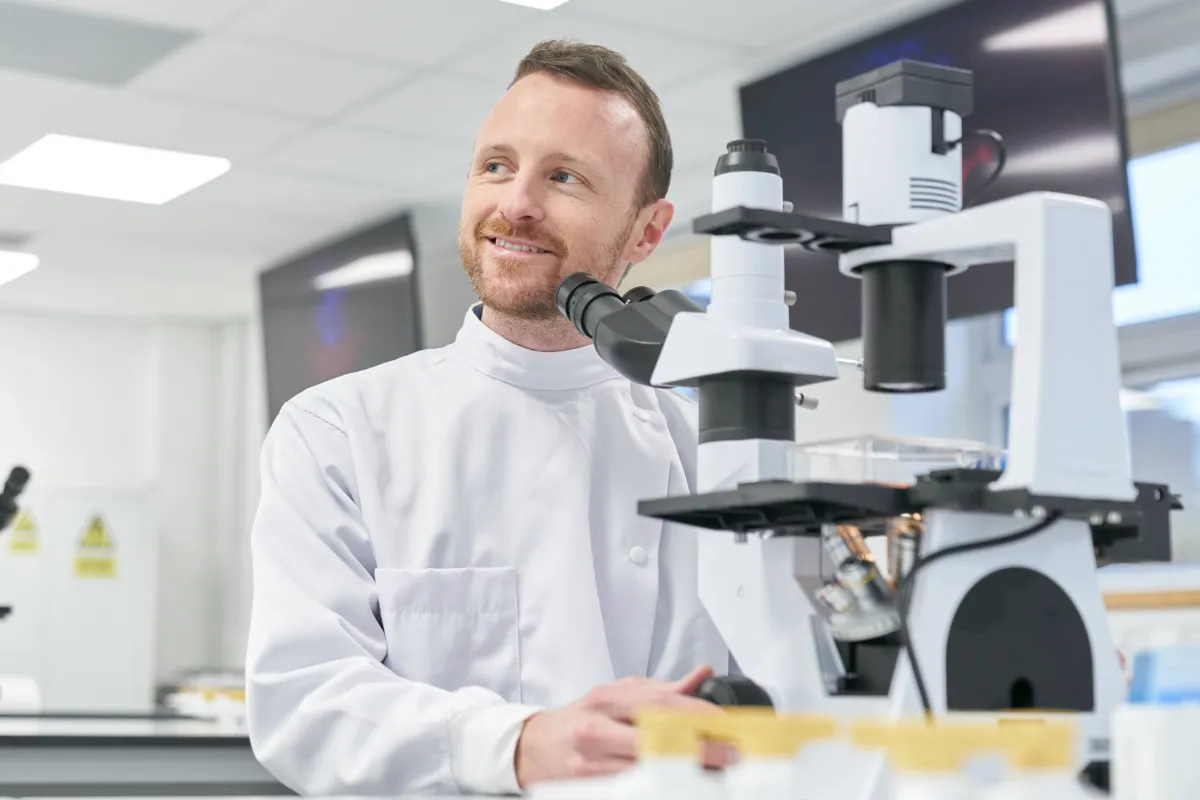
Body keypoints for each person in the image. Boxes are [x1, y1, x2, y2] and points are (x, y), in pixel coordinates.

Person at [244, 39, 729, 796]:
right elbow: (303, 702)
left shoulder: (703, 451)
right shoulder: (339, 430)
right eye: (496, 166)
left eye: (563, 176)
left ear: (647, 231)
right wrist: (518, 743)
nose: (516, 205)